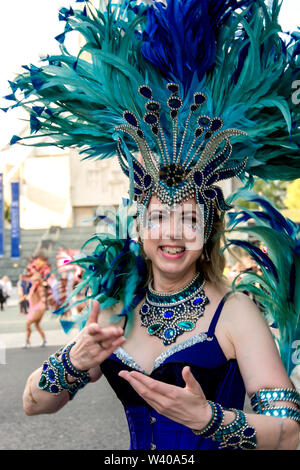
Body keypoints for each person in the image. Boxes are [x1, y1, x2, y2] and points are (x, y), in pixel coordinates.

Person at [7, 0, 300, 451]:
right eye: (158, 217)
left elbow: (288, 433)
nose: (172, 232)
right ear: (139, 227)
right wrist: (75, 358)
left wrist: (209, 420)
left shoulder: (236, 312)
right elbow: (33, 404)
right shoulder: (112, 311)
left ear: (207, 234)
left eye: (189, 219)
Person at [24, 272, 47, 348]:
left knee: (28, 323)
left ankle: (27, 341)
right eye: (33, 280)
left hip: (37, 309)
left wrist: (43, 304)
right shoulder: (33, 287)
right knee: (37, 325)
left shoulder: (39, 288)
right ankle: (44, 339)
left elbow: (42, 296)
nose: (34, 282)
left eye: (36, 280)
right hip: (33, 309)